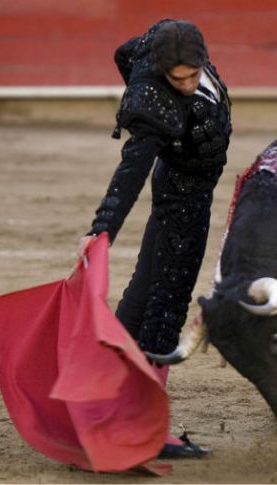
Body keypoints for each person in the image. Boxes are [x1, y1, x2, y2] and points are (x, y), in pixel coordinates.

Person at [76, 19, 232, 459]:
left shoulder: (165, 42)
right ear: (162, 71)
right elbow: (130, 173)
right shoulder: (154, 106)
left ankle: (103, 400)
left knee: (144, 295)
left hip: (187, 191)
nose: (185, 85)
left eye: (192, 75)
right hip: (184, 197)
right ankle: (146, 426)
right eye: (175, 78)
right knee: (166, 304)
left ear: (201, 59)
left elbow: (125, 51)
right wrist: (102, 227)